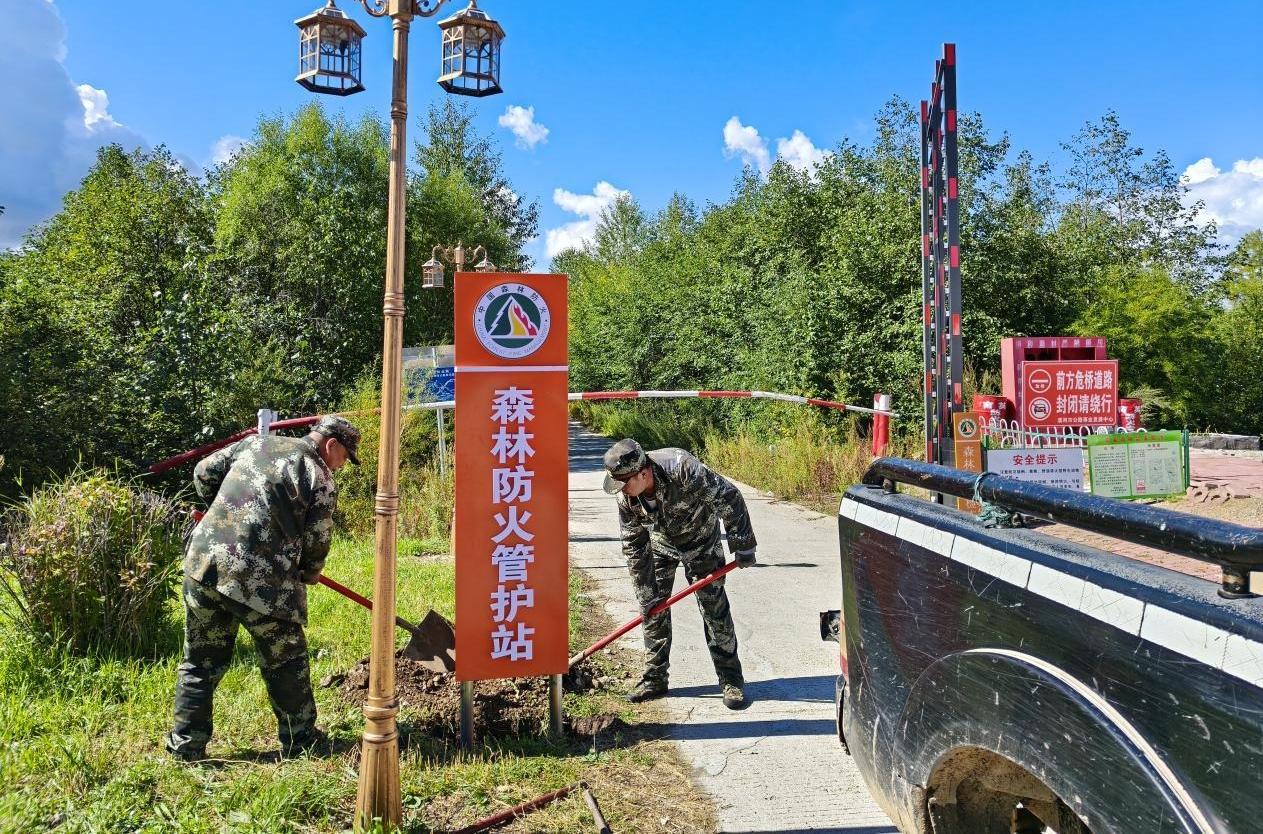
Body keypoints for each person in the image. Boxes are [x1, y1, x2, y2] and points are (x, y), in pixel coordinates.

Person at [164, 415, 360, 761]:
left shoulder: (257, 442)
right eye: (345, 457)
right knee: (286, 661)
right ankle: (301, 741)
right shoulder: (318, 475)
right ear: (331, 445)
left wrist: (223, 512)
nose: (342, 465)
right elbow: (318, 538)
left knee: (200, 661)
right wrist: (310, 571)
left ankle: (186, 746)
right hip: (263, 583)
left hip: (204, 565)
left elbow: (203, 473)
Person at [603, 438, 757, 710]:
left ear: (643, 473)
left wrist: (743, 543)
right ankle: (654, 679)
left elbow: (729, 497)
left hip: (701, 541)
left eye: (625, 482)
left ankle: (731, 680)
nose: (622, 489)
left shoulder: (681, 468)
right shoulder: (625, 497)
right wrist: (646, 593)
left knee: (713, 609)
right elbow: (634, 545)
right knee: (652, 610)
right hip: (660, 544)